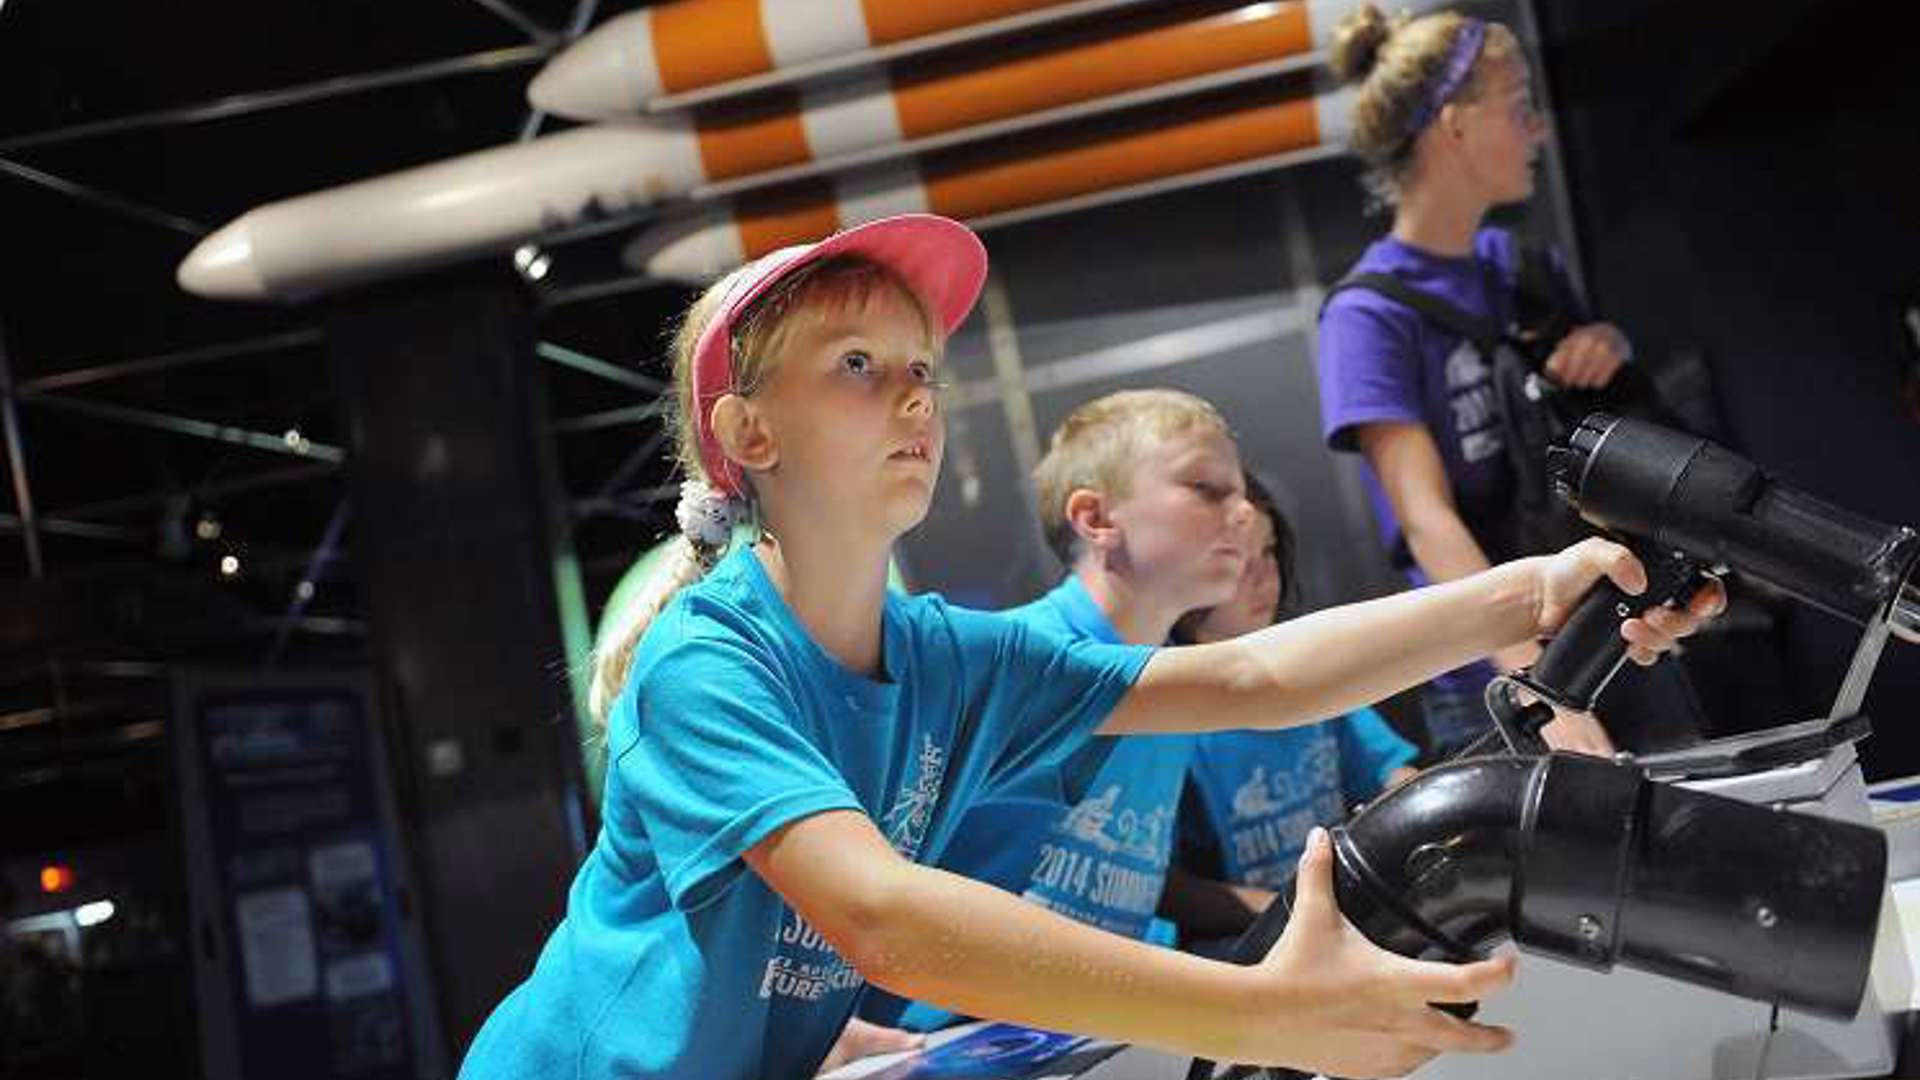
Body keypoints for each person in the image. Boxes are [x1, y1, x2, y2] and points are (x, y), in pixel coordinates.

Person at [455, 213, 1716, 1080]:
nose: (911, 396)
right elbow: (880, 919)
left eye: (922, 370)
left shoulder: (943, 656)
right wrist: (1271, 1012)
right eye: (856, 364)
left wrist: (1534, 594)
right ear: (751, 433)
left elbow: (1251, 676)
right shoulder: (706, 663)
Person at [863, 388, 1284, 1033]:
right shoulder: (1005, 661)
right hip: (954, 1040)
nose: (1244, 513)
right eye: (1207, 488)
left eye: (1240, 491)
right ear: (1095, 518)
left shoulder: (1177, 679)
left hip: (1102, 1026)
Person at [1315, 5, 1653, 758]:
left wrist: (1610, 346)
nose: (1537, 131)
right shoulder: (1366, 315)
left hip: (1608, 635)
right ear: (1455, 126)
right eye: (1518, 107)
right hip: (1495, 680)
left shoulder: (1523, 266)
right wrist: (1541, 686)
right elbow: (1426, 521)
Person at [1171, 473, 1418, 946]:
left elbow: (1393, 778)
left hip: (1344, 925)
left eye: (1268, 552)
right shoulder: (1167, 709)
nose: (1264, 576)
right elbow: (1166, 887)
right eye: (1238, 561)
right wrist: (1289, 914)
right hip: (1241, 951)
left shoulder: (1310, 674)